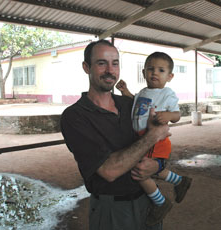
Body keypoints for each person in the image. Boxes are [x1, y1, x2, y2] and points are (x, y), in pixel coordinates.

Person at [61, 40, 171, 230]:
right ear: (86, 67)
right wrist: (152, 137)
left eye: (115, 63)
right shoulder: (75, 116)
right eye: (101, 63)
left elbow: (161, 138)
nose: (110, 70)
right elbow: (109, 171)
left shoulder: (130, 105)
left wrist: (158, 164)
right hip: (113, 210)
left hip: (148, 202)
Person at [116, 52, 192, 226]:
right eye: (150, 69)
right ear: (143, 73)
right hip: (142, 138)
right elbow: (136, 102)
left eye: (161, 70)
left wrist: (168, 115)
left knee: (139, 171)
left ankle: (160, 203)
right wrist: (125, 91)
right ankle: (180, 181)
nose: (154, 73)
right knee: (151, 170)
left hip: (155, 139)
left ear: (169, 76)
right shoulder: (143, 91)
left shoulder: (167, 93)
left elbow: (177, 114)